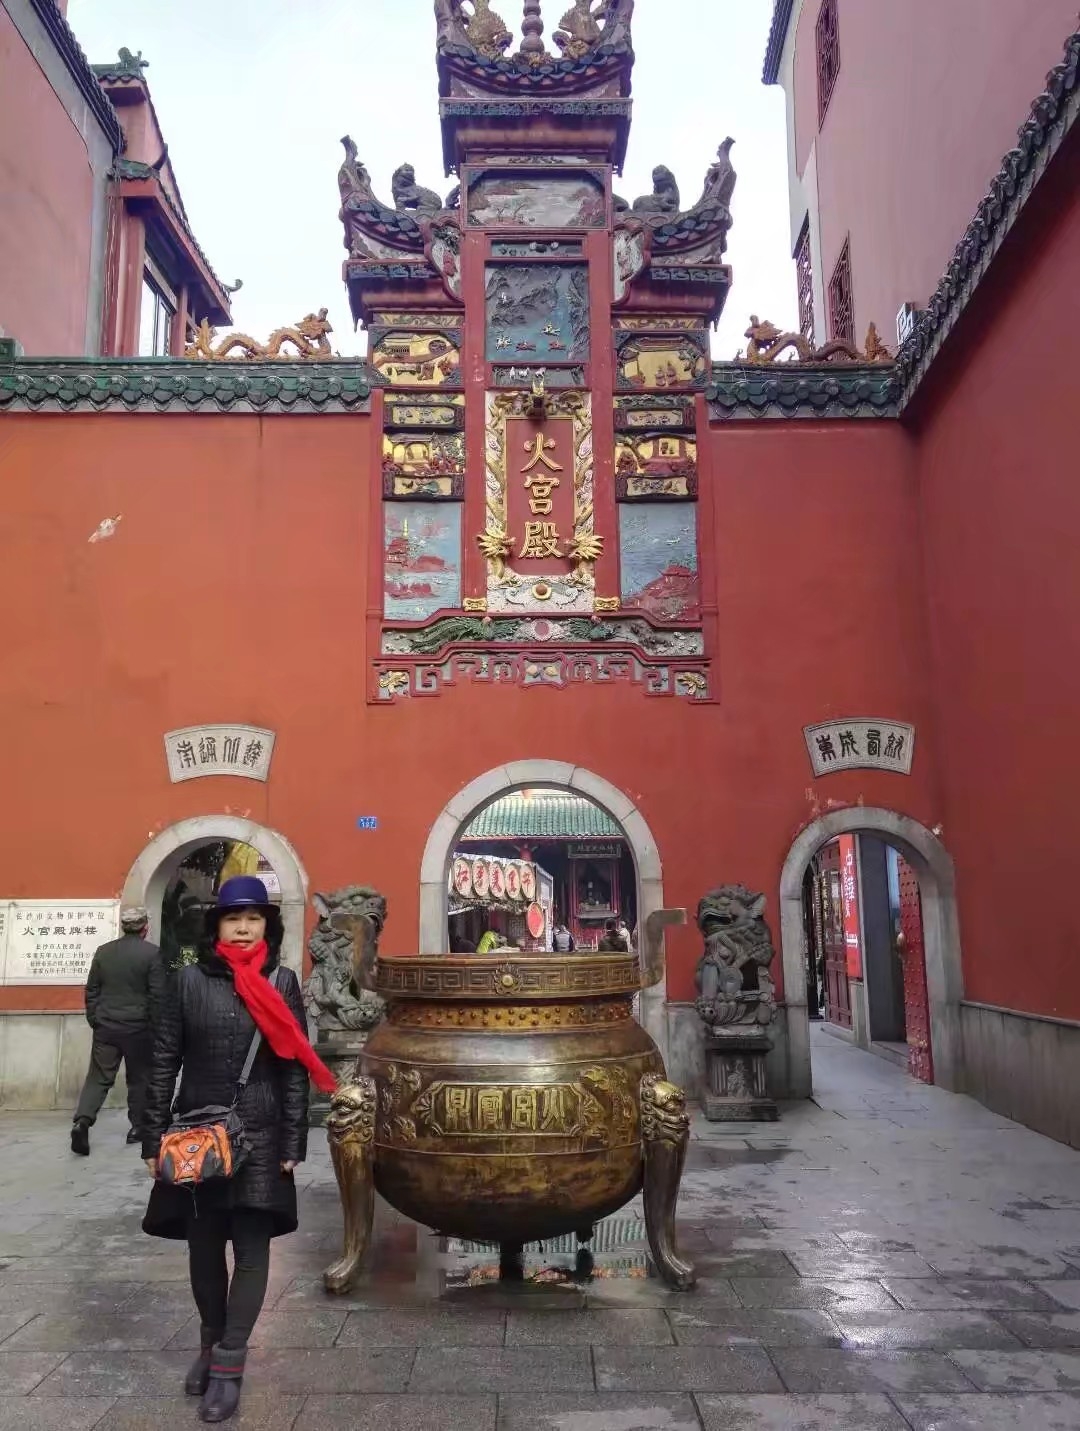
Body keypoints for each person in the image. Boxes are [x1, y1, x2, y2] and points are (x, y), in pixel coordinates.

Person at [141, 876, 336, 1423]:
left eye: (254, 918)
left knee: (251, 1250)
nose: (244, 927)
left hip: (262, 1132)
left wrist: (294, 1140)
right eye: (234, 918)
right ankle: (209, 1345)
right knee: (203, 1249)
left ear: (267, 927)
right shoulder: (187, 982)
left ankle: (229, 1365)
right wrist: (153, 1136)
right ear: (217, 927)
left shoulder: (282, 980)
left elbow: (292, 1064)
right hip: (198, 1134)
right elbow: (163, 1061)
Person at [71, 906, 165, 1156]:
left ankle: (82, 1121)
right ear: (145, 927)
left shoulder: (104, 951)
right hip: (139, 1028)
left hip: (106, 1026)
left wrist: (95, 1018)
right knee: (139, 1078)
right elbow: (157, 996)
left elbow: (92, 989)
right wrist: (157, 1028)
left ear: (124, 927)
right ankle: (137, 1128)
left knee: (98, 1077)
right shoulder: (152, 954)